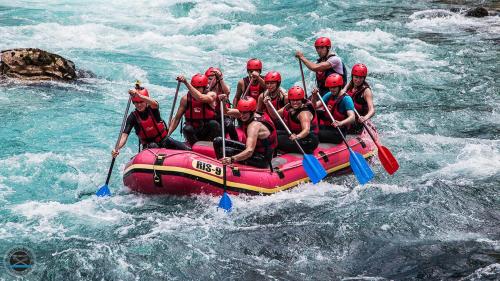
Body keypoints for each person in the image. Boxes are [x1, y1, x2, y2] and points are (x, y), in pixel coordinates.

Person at [111, 82, 190, 158]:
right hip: (149, 147)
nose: (139, 105)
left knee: (187, 150)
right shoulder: (132, 117)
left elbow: (155, 103)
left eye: (141, 102)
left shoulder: (153, 109)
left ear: (146, 101)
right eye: (136, 102)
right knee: (153, 146)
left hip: (164, 140)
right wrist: (117, 148)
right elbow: (124, 136)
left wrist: (139, 96)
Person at [213, 97, 277, 169]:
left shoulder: (253, 126)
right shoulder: (246, 114)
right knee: (218, 141)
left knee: (227, 151)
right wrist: (224, 102)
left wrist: (232, 159)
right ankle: (221, 163)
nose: (242, 115)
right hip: (255, 151)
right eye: (241, 111)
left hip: (262, 158)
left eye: (245, 112)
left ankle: (223, 167)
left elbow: (249, 151)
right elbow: (226, 111)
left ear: (252, 111)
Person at [168, 74, 221, 145]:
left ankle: (210, 146)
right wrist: (167, 134)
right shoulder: (185, 99)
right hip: (194, 133)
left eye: (198, 87)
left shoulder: (212, 95)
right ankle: (195, 147)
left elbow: (200, 98)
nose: (195, 89)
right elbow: (177, 119)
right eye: (194, 87)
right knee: (187, 128)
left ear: (205, 87)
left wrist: (186, 83)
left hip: (207, 133)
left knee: (214, 124)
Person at [266, 86, 319, 154]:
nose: (295, 102)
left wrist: (297, 136)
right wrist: (268, 105)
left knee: (276, 140)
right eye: (293, 100)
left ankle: (281, 151)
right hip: (295, 133)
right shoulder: (288, 106)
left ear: (302, 100)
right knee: (272, 134)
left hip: (309, 140)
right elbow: (275, 116)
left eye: (297, 100)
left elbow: (306, 130)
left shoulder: (304, 113)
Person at [312, 74, 355, 144]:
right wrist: (314, 97)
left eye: (335, 87)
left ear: (340, 86)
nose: (332, 89)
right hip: (329, 126)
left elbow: (352, 117)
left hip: (338, 132)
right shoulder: (329, 95)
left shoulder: (346, 99)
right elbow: (315, 106)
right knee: (316, 112)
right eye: (330, 87)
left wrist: (341, 123)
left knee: (315, 134)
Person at [205, 67, 238, 140]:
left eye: (210, 79)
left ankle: (236, 142)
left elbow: (227, 92)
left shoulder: (224, 87)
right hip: (210, 117)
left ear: (217, 80)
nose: (208, 81)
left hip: (222, 115)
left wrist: (220, 78)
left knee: (229, 124)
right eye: (207, 79)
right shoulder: (206, 90)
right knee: (213, 124)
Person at [343, 63, 375, 133]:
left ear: (364, 78)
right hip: (346, 117)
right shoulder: (350, 84)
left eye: (361, 78)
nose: (358, 80)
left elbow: (372, 110)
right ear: (352, 76)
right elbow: (342, 93)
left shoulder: (366, 91)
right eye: (356, 77)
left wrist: (365, 118)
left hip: (357, 122)